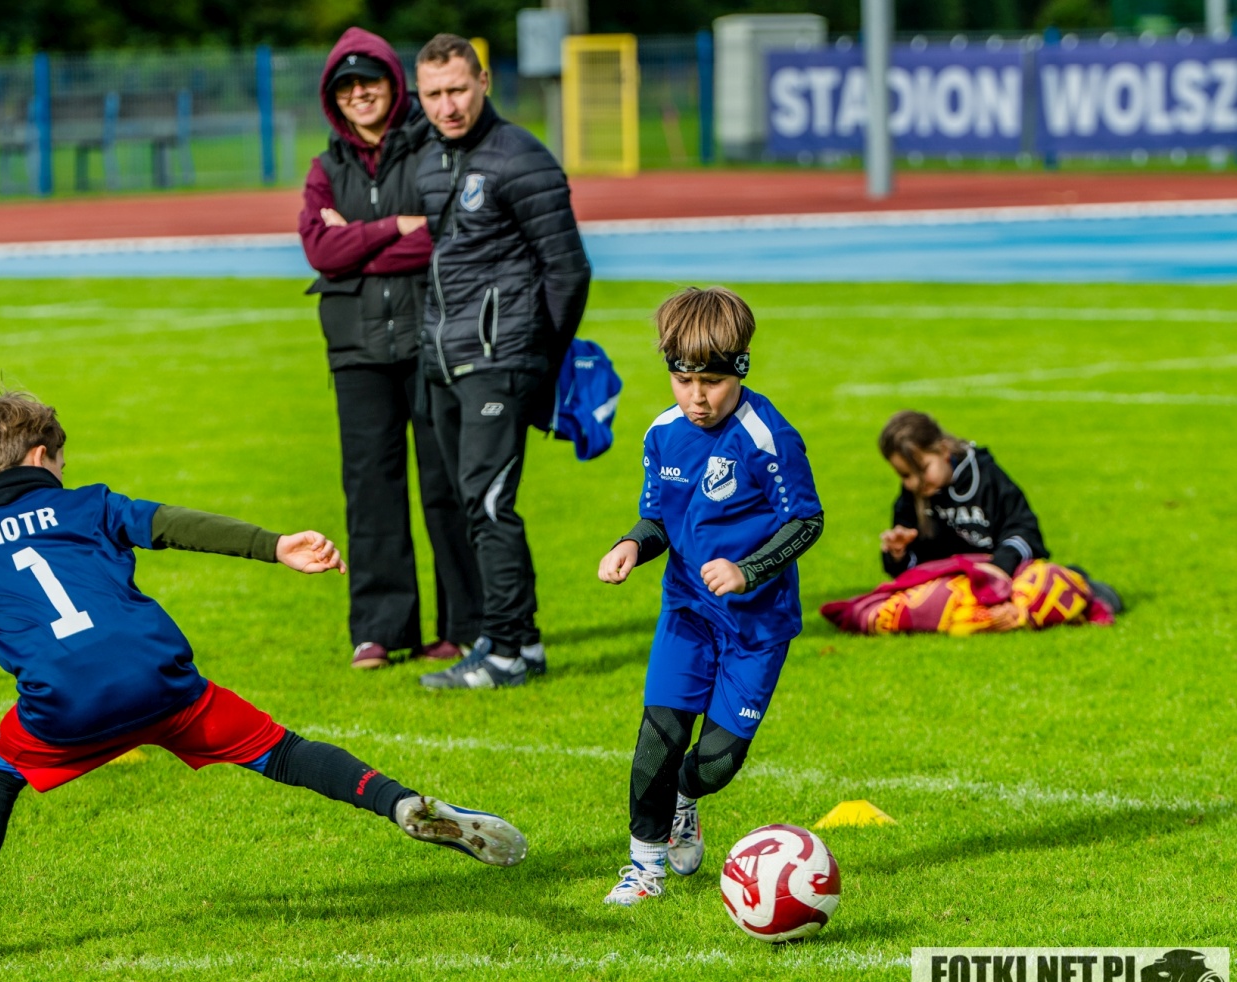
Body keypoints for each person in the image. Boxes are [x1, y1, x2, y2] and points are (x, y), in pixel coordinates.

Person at [0, 387, 527, 968]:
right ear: (43, 456)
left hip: (63, 705)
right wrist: (276, 544)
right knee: (284, 752)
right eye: (61, 460)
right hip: (161, 680)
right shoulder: (88, 504)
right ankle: (398, 803)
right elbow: (178, 525)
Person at [595, 287, 824, 905]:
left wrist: (749, 571)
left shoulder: (768, 437)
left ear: (741, 369)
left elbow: (805, 522)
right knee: (657, 742)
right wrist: (630, 546)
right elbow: (658, 520)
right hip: (688, 614)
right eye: (683, 378)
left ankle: (686, 803)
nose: (697, 397)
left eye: (713, 382)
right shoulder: (663, 434)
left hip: (756, 627)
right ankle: (644, 870)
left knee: (715, 763)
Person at [412, 33, 592, 690]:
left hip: (501, 361)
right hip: (445, 360)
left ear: (483, 81)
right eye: (432, 94)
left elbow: (568, 270)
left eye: (457, 89)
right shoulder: (430, 161)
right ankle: (520, 640)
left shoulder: (522, 158)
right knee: (467, 504)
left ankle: (507, 653)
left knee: (489, 505)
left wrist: (534, 359)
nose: (447, 105)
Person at [299, 28, 482, 670]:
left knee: (447, 486)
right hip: (356, 352)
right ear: (333, 97)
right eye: (345, 86)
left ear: (392, 83)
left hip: (431, 341)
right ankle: (380, 631)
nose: (359, 94)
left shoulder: (432, 149)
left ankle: (465, 625)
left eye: (369, 80)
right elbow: (320, 253)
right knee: (370, 491)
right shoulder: (325, 170)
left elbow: (444, 234)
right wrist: (393, 228)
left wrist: (361, 245)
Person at [877, 409, 1122, 608]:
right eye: (906, 475)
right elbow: (911, 570)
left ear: (942, 451)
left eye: (922, 469)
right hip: (952, 585)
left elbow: (1024, 531)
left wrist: (997, 568)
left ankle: (1082, 586)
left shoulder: (987, 476)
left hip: (1007, 575)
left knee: (1036, 593)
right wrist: (898, 553)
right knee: (895, 605)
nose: (917, 482)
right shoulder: (911, 497)